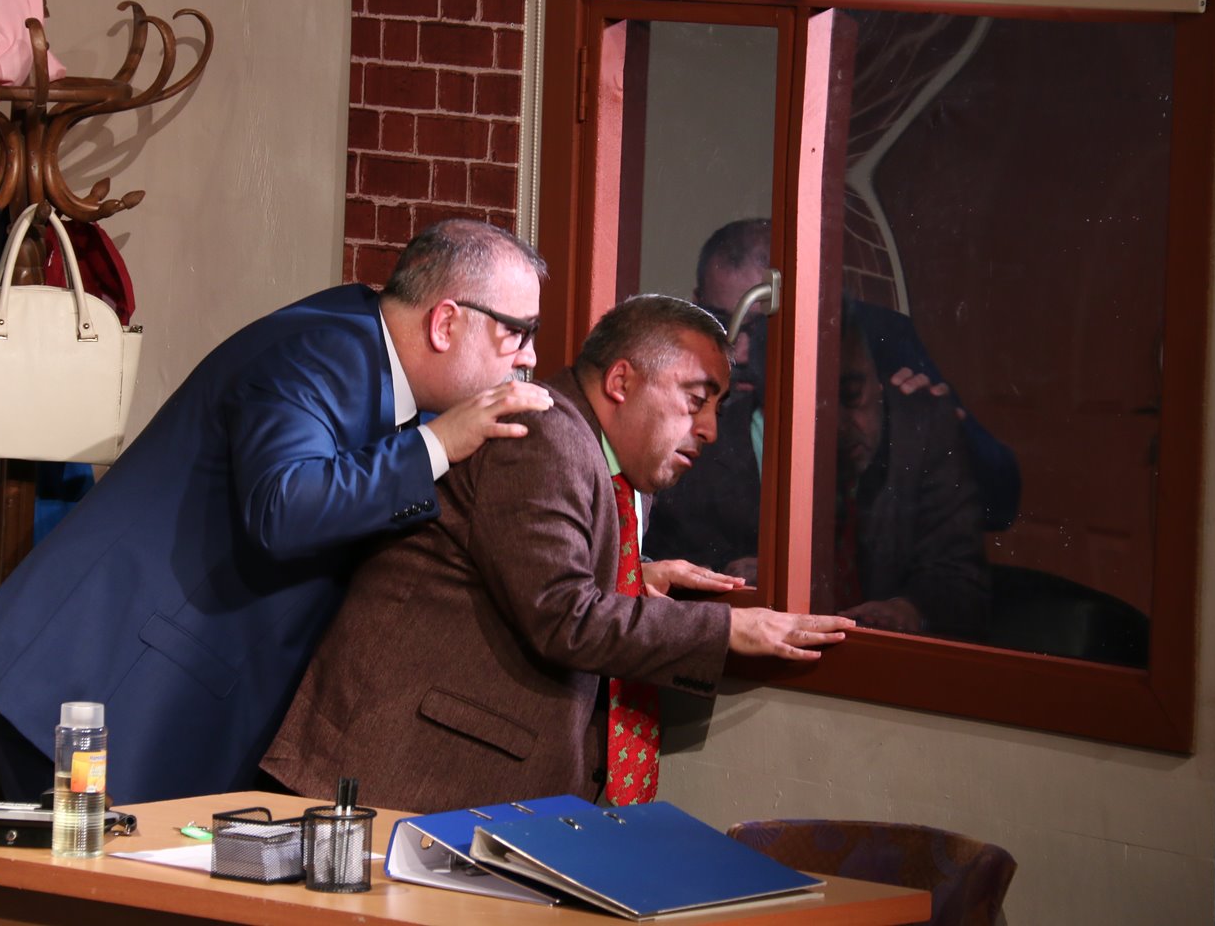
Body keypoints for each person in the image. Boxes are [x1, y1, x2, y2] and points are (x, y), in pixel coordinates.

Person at [0, 219, 556, 804]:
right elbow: (283, 508)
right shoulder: (320, 352)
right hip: (96, 689)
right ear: (446, 323)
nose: (528, 356)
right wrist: (439, 443)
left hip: (155, 697)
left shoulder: (379, 362)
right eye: (518, 331)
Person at [260, 295, 854, 813]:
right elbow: (562, 614)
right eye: (695, 399)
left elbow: (523, 563)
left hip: (455, 792)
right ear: (621, 382)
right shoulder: (542, 434)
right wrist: (729, 629)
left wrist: (633, 576)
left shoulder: (612, 465)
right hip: (396, 781)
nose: (710, 429)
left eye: (717, 409)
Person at [647, 217, 1020, 580]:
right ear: (696, 304)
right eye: (720, 322)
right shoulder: (679, 369)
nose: (740, 354)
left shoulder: (873, 340)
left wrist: (952, 437)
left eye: (761, 327)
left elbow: (1000, 502)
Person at [830, 299, 991, 636]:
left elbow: (959, 572)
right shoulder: (738, 434)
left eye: (852, 395)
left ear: (882, 384)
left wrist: (910, 609)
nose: (840, 426)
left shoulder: (925, 427)